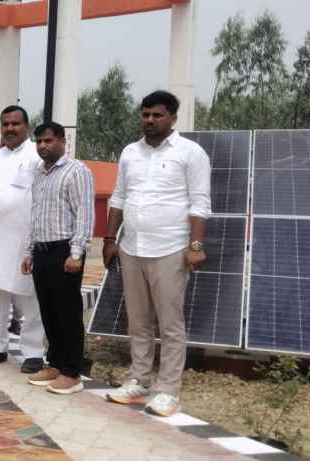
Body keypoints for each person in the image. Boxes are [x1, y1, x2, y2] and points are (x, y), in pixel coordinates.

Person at [104, 91, 210, 417]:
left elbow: (200, 202)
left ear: (173, 118)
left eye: (157, 115)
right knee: (138, 321)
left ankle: (168, 391)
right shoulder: (130, 152)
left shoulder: (190, 153)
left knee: (170, 324)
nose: (149, 120)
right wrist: (109, 239)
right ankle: (139, 380)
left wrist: (195, 246)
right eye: (145, 114)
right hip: (132, 248)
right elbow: (119, 197)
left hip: (169, 250)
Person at [20, 122, 94, 394]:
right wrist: (29, 252)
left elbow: (85, 213)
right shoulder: (39, 173)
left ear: (63, 141)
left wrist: (76, 253)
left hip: (65, 251)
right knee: (49, 311)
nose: (43, 146)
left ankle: (72, 372)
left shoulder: (77, 171)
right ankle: (55, 364)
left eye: (48, 141)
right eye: (39, 141)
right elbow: (36, 214)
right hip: (42, 250)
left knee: (68, 312)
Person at [0, 106, 46, 372]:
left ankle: (33, 352)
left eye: (16, 124)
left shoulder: (37, 155)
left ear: (27, 126)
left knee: (29, 296)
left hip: (25, 237)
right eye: (6, 124)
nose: (10, 129)